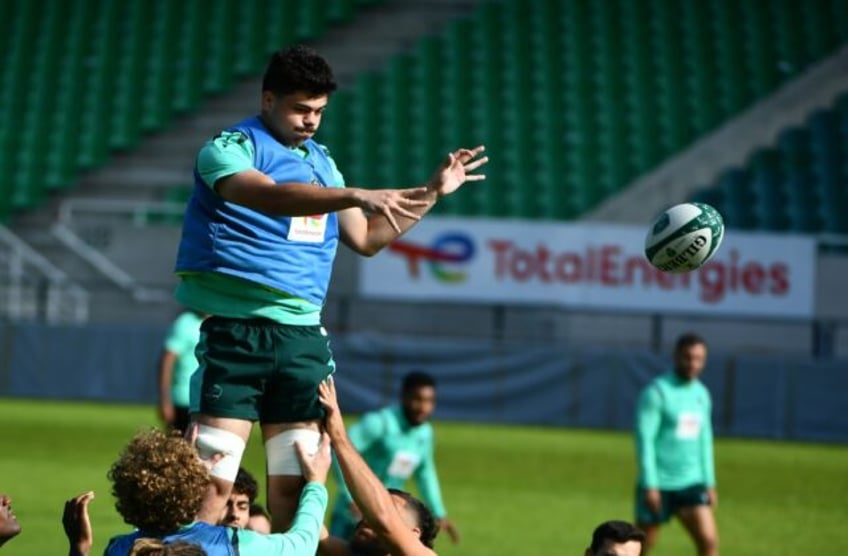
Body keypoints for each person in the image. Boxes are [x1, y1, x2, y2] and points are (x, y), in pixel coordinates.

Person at [172, 42, 488, 532]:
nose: (311, 121)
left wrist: (431, 193)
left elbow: (366, 238)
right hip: (236, 336)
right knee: (212, 481)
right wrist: (355, 193)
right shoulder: (229, 148)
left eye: (319, 111)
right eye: (301, 109)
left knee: (294, 488)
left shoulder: (323, 164)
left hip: (301, 342)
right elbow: (268, 197)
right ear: (268, 99)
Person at [62, 428, 332, 556]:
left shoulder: (120, 549)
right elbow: (303, 544)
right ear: (193, 489)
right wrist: (316, 484)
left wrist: (78, 547)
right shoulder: (229, 544)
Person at [329, 372, 459, 544]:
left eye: (429, 401)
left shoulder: (425, 433)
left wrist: (439, 513)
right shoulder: (379, 423)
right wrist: (350, 497)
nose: (423, 407)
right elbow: (339, 450)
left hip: (389, 514)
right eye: (417, 399)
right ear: (404, 397)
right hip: (353, 512)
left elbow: (425, 473)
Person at [634, 333, 718, 556]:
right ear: (676, 357)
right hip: (658, 484)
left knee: (709, 542)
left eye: (699, 358)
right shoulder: (656, 393)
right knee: (640, 548)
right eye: (687, 357)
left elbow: (705, 440)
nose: (693, 364)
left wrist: (709, 482)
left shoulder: (701, 394)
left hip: (691, 482)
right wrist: (650, 484)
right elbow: (645, 440)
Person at [157, 309, 206, 433]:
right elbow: (167, 361)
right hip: (185, 400)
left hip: (208, 401)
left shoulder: (219, 323)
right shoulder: (185, 323)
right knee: (179, 449)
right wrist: (165, 400)